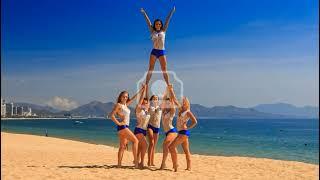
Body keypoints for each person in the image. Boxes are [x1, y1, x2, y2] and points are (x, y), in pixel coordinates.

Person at [109, 85, 146, 168]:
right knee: (136, 141)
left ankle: (119, 164)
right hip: (123, 127)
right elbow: (111, 115)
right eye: (123, 96)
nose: (125, 98)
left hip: (123, 128)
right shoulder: (119, 105)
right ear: (120, 97)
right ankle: (136, 163)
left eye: (126, 97)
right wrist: (118, 123)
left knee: (122, 146)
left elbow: (133, 98)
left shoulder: (125, 105)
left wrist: (142, 90)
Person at [140, 6, 176, 88]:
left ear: (161, 25)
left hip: (162, 51)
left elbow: (167, 20)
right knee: (151, 68)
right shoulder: (152, 31)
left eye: (159, 24)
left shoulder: (164, 31)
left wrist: (172, 12)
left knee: (164, 69)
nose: (158, 25)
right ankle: (146, 84)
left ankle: (168, 84)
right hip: (154, 51)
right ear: (155, 25)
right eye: (156, 24)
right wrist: (144, 13)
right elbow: (148, 22)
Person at [168, 85, 197, 172]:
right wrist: (171, 90)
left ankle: (176, 165)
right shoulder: (180, 110)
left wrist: (188, 127)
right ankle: (189, 167)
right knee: (186, 150)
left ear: (187, 103)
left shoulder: (188, 112)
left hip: (184, 132)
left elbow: (195, 121)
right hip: (181, 132)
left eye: (184, 102)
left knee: (171, 147)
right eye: (182, 101)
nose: (183, 103)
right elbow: (174, 99)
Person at [159, 86, 177, 169]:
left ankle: (163, 164)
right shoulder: (163, 111)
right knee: (171, 148)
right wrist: (167, 89)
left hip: (172, 131)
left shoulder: (172, 111)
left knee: (165, 145)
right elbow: (163, 99)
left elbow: (172, 101)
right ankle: (175, 164)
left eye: (168, 103)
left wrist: (171, 90)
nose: (167, 104)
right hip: (167, 132)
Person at [134, 86, 150, 168]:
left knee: (141, 147)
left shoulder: (146, 111)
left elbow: (148, 100)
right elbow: (140, 103)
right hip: (138, 129)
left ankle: (136, 161)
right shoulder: (139, 110)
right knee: (146, 145)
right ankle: (141, 163)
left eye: (146, 103)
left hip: (144, 131)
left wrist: (147, 88)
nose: (145, 104)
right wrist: (143, 91)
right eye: (143, 103)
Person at [146, 94, 162, 166]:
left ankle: (152, 162)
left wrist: (168, 88)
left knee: (154, 146)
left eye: (156, 99)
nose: (155, 100)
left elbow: (165, 98)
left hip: (157, 127)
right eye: (154, 98)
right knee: (151, 143)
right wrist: (146, 86)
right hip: (150, 126)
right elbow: (146, 96)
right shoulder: (150, 106)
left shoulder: (160, 107)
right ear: (151, 100)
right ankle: (149, 161)